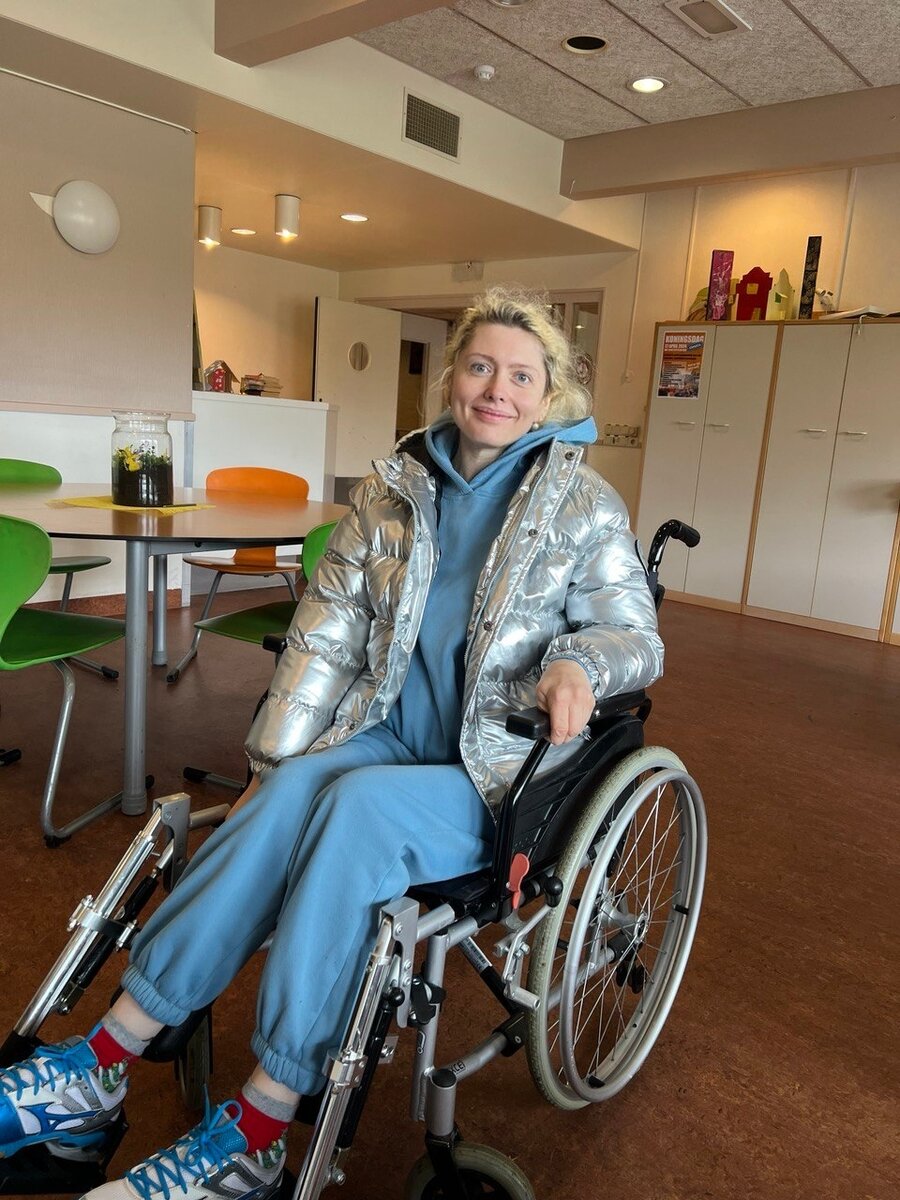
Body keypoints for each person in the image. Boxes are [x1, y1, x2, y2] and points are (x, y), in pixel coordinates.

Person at [0, 287, 664, 1200]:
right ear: (452, 379)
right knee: (284, 794)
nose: (496, 390)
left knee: (353, 812)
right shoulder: (393, 490)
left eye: (521, 376)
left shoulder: (584, 504)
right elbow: (326, 632)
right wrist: (273, 759)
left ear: (547, 398)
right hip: (386, 734)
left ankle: (262, 1130)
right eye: (480, 367)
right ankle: (105, 1060)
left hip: (496, 773)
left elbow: (635, 634)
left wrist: (580, 664)